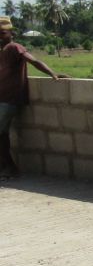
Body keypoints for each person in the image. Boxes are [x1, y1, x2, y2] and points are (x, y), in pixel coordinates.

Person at [0, 18, 62, 179]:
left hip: (8, 100)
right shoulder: (3, 49)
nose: (0, 36)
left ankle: (11, 169)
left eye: (2, 33)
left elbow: (34, 61)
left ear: (11, 33)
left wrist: (52, 73)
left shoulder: (14, 47)